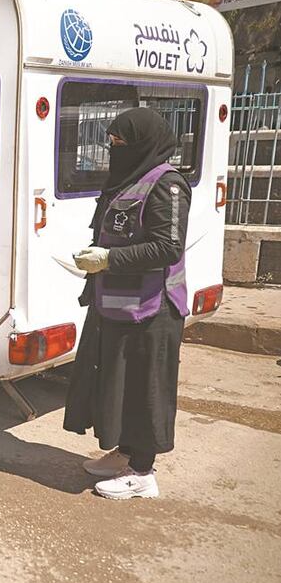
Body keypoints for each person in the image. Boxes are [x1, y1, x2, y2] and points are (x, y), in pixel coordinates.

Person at [65, 107, 192, 501]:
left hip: (154, 309)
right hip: (119, 304)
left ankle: (142, 472)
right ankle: (127, 452)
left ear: (142, 143)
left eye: (119, 143)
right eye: (111, 142)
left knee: (146, 388)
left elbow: (168, 246)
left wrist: (109, 259)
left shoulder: (167, 185)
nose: (112, 149)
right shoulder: (128, 180)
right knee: (119, 384)